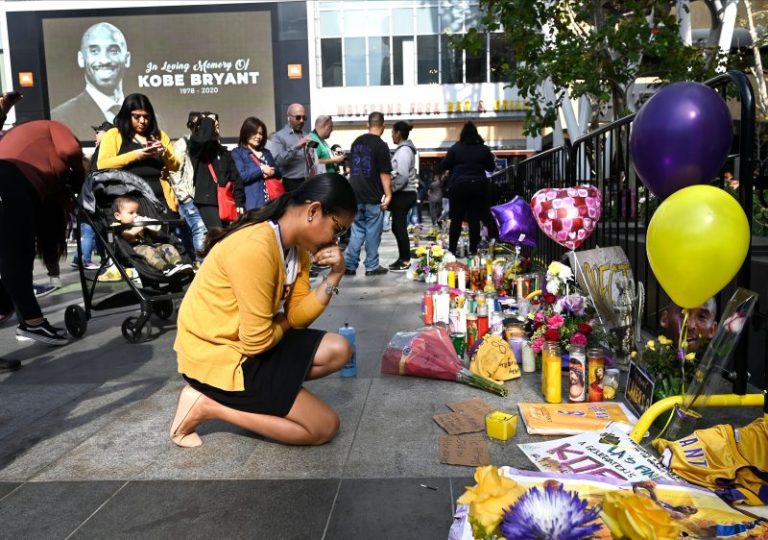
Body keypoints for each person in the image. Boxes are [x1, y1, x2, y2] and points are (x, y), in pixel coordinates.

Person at [169, 173, 356, 447]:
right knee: (323, 427)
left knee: (339, 349)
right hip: (218, 356)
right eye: (337, 229)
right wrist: (285, 322)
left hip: (248, 344)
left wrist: (336, 274)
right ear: (313, 211)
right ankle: (207, 405)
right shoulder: (255, 247)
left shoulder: (296, 248)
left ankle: (268, 393)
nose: (335, 241)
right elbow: (258, 341)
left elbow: (297, 317)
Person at [0, 120, 86, 353]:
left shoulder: (25, 140)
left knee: (10, 254)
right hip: (13, 181)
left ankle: (17, 312)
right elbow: (70, 149)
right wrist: (79, 174)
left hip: (11, 182)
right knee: (17, 256)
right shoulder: (54, 126)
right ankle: (32, 322)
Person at [97, 93, 180, 211]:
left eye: (146, 116)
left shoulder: (160, 135)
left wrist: (165, 152)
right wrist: (137, 155)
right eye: (136, 117)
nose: (142, 121)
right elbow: (102, 165)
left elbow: (175, 166)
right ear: (126, 116)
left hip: (161, 201)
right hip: (129, 204)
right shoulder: (114, 134)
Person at [51, 22, 131, 139]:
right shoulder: (59, 119)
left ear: (127, 59)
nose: (104, 60)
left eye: (113, 51)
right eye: (94, 51)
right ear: (81, 59)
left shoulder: (152, 118)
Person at [343, 111, 392, 277]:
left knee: (357, 231)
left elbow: (351, 169)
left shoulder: (356, 142)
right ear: (383, 127)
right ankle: (371, 266)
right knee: (372, 231)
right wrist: (388, 194)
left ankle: (350, 265)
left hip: (355, 194)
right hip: (373, 195)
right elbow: (384, 173)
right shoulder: (381, 145)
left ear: (367, 125)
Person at [441, 121, 499, 255]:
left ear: (463, 134)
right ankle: (473, 249)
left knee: (456, 219)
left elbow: (444, 165)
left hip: (459, 186)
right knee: (474, 219)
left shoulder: (455, 148)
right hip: (478, 187)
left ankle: (452, 249)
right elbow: (491, 167)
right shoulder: (484, 149)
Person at [187, 113, 244, 229]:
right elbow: (200, 140)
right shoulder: (197, 149)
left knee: (229, 234)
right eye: (211, 126)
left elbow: (236, 178)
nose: (215, 130)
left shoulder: (224, 153)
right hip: (206, 200)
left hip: (225, 200)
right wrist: (207, 121)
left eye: (217, 126)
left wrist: (239, 201)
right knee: (218, 234)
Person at [112, 195, 193, 276]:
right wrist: (141, 226)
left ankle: (178, 264)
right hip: (133, 251)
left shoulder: (138, 223)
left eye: (137, 212)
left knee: (168, 246)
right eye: (131, 213)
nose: (136, 215)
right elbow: (126, 236)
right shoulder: (117, 226)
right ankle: (165, 267)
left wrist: (151, 228)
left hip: (152, 246)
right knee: (147, 250)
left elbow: (153, 236)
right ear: (118, 216)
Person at [71, 121, 113, 271]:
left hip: (89, 202)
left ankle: (88, 259)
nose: (96, 134)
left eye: (98, 132)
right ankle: (86, 260)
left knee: (95, 232)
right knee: (91, 232)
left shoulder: (101, 152)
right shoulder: (97, 154)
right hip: (92, 202)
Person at [169, 112, 208, 262]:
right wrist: (183, 195)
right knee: (199, 229)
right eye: (195, 124)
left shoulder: (208, 144)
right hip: (190, 197)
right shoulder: (183, 144)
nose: (198, 128)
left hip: (205, 195)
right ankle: (201, 264)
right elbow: (174, 171)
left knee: (203, 230)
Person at [387, 121, 418, 272]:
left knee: (399, 227)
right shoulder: (403, 150)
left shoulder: (404, 151)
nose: (392, 135)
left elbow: (402, 176)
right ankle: (402, 257)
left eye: (393, 132)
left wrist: (391, 189)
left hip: (404, 193)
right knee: (397, 227)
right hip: (404, 192)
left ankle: (405, 260)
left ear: (398, 133)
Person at [231, 116, 279, 211]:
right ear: (246, 133)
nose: (258, 137)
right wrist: (261, 170)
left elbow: (278, 172)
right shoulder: (238, 153)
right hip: (253, 203)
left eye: (260, 133)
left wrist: (271, 172)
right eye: (254, 133)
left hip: (272, 201)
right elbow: (241, 176)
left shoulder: (266, 152)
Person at [266, 103, 316, 192]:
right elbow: (278, 161)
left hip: (308, 180)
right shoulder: (278, 136)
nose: (301, 121)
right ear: (289, 117)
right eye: (298, 117)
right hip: (291, 182)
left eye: (304, 118)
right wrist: (297, 146)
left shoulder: (306, 135)